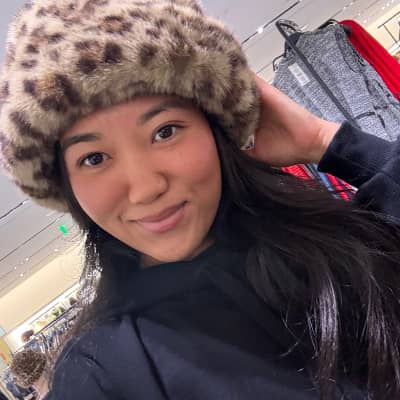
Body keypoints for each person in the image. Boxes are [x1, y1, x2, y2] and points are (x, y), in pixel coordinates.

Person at [0, 1, 399, 399]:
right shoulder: (102, 377)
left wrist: (325, 142)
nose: (146, 188)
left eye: (165, 131)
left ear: (213, 128)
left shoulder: (331, 250)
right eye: (94, 158)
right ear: (67, 185)